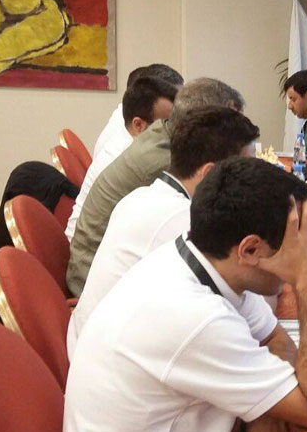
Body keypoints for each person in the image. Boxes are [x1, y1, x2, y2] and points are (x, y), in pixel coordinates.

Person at [64, 157, 307, 432]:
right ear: (250, 249)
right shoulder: (197, 316)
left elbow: (275, 338)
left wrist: (264, 409)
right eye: (301, 239)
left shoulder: (196, 259)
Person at [68, 106, 261, 358]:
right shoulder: (182, 221)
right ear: (209, 174)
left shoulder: (145, 195)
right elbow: (252, 309)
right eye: (245, 173)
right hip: (109, 358)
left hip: (93, 345)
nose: (252, 185)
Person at [66, 77, 245, 296]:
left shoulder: (165, 130)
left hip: (103, 265)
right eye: (233, 126)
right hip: (93, 279)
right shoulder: (164, 162)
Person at [65, 71, 182, 241]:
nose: (173, 132)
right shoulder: (136, 158)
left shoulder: (129, 139)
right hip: (91, 250)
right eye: (166, 125)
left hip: (92, 240)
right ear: (138, 125)